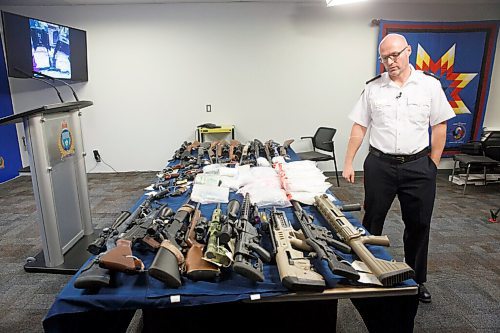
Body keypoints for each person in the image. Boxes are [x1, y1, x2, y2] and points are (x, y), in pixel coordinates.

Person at [342, 33, 455, 303]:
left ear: (408, 52)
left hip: (418, 166)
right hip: (379, 165)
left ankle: (416, 279)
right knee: (372, 221)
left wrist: (433, 165)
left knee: (418, 224)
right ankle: (369, 271)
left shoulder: (429, 86)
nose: (390, 62)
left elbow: (439, 125)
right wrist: (348, 161)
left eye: (394, 55)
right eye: (384, 58)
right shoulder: (373, 88)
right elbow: (359, 126)